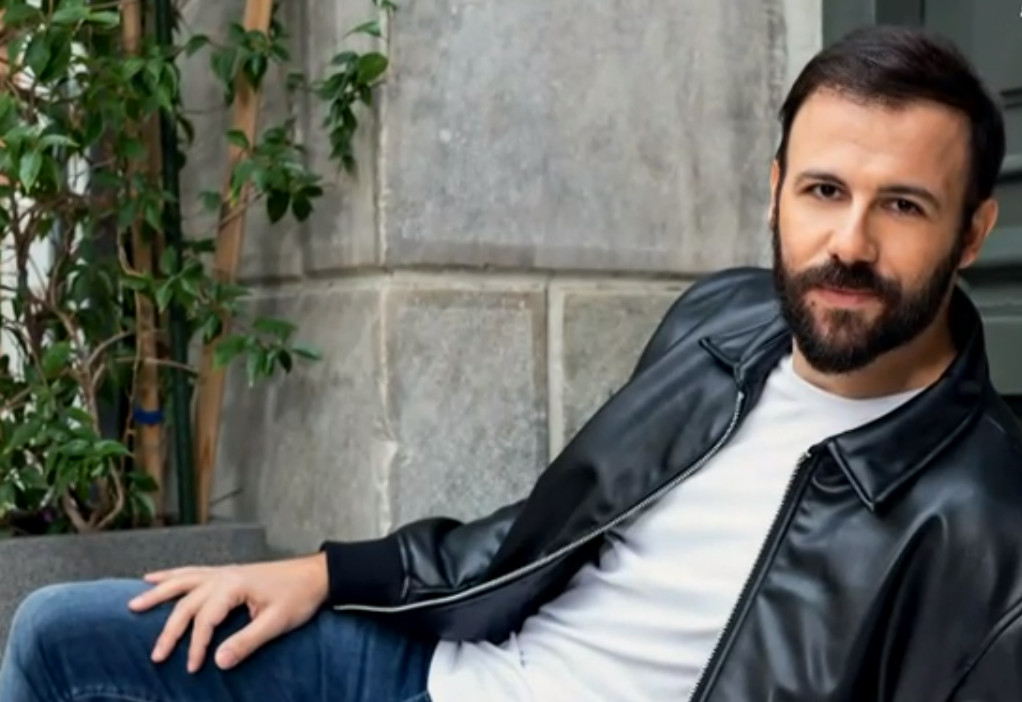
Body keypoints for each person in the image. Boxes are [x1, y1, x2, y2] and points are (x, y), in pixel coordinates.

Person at [2, 23, 1021, 702]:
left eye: (901, 206)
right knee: (58, 635)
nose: (848, 243)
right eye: (823, 191)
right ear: (775, 190)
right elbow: (539, 530)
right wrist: (324, 572)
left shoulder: (984, 520)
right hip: (445, 676)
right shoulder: (726, 321)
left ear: (972, 232)